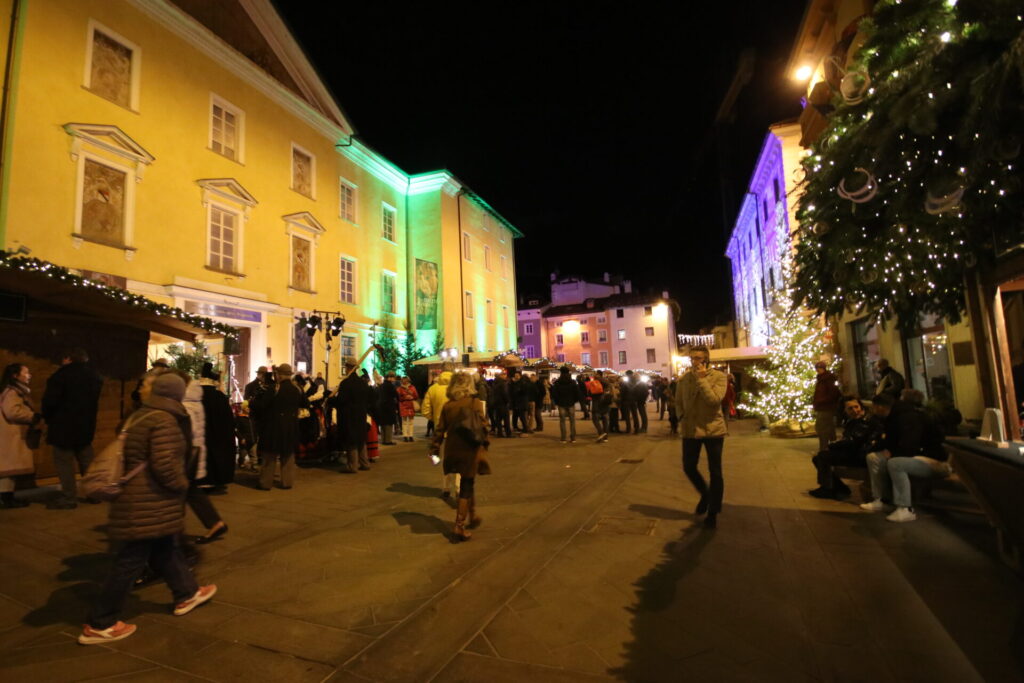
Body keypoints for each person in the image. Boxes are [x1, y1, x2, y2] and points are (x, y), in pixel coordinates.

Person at [79, 373, 216, 645]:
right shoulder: (164, 420)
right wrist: (181, 483)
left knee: (165, 547)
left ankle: (186, 592)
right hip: (148, 501)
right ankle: (101, 622)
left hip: (142, 500)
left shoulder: (141, 415)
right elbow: (165, 465)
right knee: (130, 560)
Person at [860, 390, 948, 523]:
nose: (872, 410)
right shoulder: (892, 418)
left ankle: (905, 508)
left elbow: (910, 444)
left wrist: (893, 453)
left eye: (873, 407)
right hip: (913, 456)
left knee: (895, 463)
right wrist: (873, 450)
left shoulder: (909, 417)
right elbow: (890, 440)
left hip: (932, 460)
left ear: (880, 407)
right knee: (874, 458)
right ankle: (882, 499)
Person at [430, 372, 491, 542]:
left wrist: (434, 449)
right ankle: (459, 525)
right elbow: (484, 426)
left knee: (467, 481)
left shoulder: (448, 406)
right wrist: (485, 442)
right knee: (466, 484)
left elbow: (439, 430)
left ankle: (473, 515)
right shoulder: (475, 402)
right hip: (470, 449)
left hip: (452, 449)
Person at [42, 348, 103, 509]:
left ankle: (69, 497)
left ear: (68, 359)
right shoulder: (94, 376)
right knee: (87, 461)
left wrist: (49, 419)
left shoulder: (60, 376)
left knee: (64, 463)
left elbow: (49, 402)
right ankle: (94, 494)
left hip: (63, 426)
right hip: (86, 426)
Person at [675, 345, 727, 529]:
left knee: (715, 471)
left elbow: (714, 400)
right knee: (688, 467)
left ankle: (713, 512)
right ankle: (705, 494)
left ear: (706, 360)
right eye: (692, 358)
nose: (694, 361)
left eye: (698, 358)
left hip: (712, 429)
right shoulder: (685, 379)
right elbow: (678, 401)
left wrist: (703, 380)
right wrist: (681, 415)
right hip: (690, 428)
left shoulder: (719, 377)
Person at [809, 396, 883, 499]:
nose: (854, 410)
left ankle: (828, 489)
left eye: (856, 407)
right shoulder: (853, 420)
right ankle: (836, 488)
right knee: (819, 457)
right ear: (845, 410)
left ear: (861, 406)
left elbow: (853, 441)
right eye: (850, 408)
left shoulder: (865, 421)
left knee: (822, 456)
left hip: (861, 454)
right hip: (854, 452)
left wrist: (830, 447)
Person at [252, 364, 306, 489]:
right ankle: (287, 482)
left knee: (269, 456)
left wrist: (252, 403)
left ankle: (265, 483)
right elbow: (305, 403)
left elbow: (262, 405)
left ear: (279, 375)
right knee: (288, 455)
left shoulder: (274, 388)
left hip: (274, 426)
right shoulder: (297, 389)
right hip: (291, 426)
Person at [0, 363, 38, 508]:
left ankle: (7, 497)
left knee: (8, 467)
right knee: (9, 468)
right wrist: (32, 416)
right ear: (15, 376)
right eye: (26, 373)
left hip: (10, 434)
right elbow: (12, 412)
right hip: (11, 435)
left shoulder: (11, 391)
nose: (29, 375)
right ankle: (6, 499)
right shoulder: (13, 392)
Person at [198, 365, 236, 491]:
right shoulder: (219, 397)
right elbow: (228, 419)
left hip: (201, 434)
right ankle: (216, 479)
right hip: (217, 434)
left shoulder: (195, 396)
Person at [333, 361, 374, 473]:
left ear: (347, 368)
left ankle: (352, 466)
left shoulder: (346, 383)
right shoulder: (362, 383)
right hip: (360, 415)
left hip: (349, 416)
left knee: (351, 441)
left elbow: (341, 400)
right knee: (361, 439)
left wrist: (331, 399)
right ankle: (365, 463)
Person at [812, 361, 842, 452]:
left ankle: (824, 448)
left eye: (819, 368)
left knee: (821, 428)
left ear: (824, 368)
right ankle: (832, 446)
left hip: (826, 407)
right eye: (817, 368)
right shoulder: (821, 379)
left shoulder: (827, 379)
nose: (818, 370)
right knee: (828, 427)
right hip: (823, 406)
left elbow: (833, 393)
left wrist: (821, 401)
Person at [550, 366, 581, 443]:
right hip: (570, 403)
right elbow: (577, 392)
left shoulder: (557, 382)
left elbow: (554, 393)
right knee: (572, 421)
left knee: (562, 421)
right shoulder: (572, 382)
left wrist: (557, 401)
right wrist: (574, 400)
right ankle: (573, 438)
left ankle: (563, 438)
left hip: (561, 403)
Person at [377, 372, 399, 446]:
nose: (394, 379)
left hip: (381, 407)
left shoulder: (382, 385)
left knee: (383, 424)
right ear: (390, 377)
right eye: (393, 377)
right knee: (389, 424)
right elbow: (395, 394)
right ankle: (388, 440)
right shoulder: (390, 386)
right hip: (389, 406)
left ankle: (383, 440)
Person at [588, 372, 610, 442]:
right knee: (605, 420)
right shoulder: (607, 383)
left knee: (595, 419)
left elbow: (589, 393)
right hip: (605, 403)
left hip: (596, 404)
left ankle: (601, 433)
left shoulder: (593, 382)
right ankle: (606, 437)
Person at [396, 376, 420, 442]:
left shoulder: (412, 387)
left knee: (411, 421)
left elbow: (416, 396)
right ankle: (405, 436)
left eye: (407, 381)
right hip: (403, 405)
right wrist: (405, 397)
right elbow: (398, 398)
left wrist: (411, 394)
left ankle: (411, 436)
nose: (405, 382)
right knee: (404, 422)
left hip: (411, 405)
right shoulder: (399, 389)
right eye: (404, 381)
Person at [489, 372, 512, 438]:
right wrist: (507, 401)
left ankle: (499, 433)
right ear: (501, 375)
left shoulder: (495, 383)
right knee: (506, 419)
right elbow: (505, 393)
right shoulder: (503, 383)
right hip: (503, 404)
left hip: (496, 404)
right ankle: (508, 433)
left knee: (498, 419)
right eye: (504, 375)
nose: (505, 376)